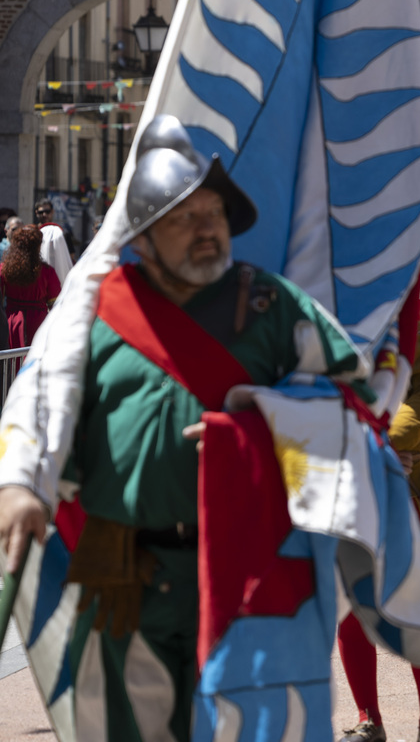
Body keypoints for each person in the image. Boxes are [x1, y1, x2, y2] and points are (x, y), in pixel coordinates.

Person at [0, 115, 369, 741]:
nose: (206, 229)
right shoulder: (88, 314)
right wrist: (18, 484)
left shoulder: (274, 309)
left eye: (214, 215)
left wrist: (265, 421)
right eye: (183, 217)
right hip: (119, 567)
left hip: (250, 565)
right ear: (141, 237)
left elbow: (362, 398)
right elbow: (38, 398)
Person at [338, 322, 420, 742]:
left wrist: (385, 445)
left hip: (402, 487)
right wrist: (375, 450)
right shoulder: (320, 326)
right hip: (340, 482)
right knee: (351, 602)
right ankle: (370, 719)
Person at [1, 224, 61, 347]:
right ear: (38, 247)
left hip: (12, 320)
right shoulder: (47, 271)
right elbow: (55, 304)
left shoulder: (4, 269)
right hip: (39, 322)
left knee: (13, 361)